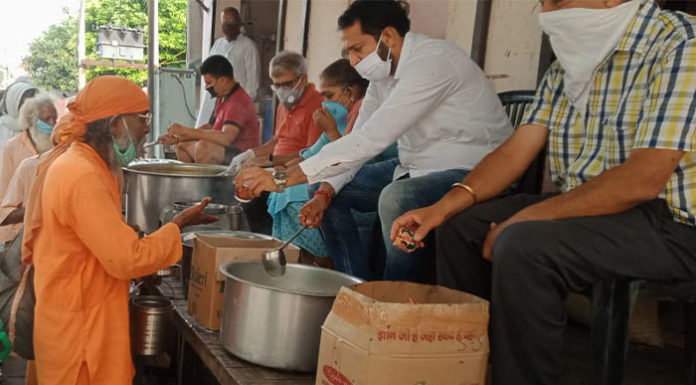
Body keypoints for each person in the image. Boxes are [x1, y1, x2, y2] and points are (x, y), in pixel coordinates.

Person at [390, 0, 696, 384]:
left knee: (522, 244)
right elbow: (517, 151)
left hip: (674, 222)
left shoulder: (680, 43)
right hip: (594, 207)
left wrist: (522, 219)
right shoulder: (565, 68)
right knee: (459, 226)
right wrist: (444, 205)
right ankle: (469, 366)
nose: (548, 11)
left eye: (559, 0)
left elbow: (643, 178)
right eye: (545, 2)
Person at [236, 0, 512, 282]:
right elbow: (357, 140)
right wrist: (324, 193)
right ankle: (356, 285)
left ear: (388, 37)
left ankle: (393, 299)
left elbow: (370, 141)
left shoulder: (431, 63)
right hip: (413, 167)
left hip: (474, 171)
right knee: (324, 190)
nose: (354, 62)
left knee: (397, 198)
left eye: (358, 49)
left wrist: (281, 178)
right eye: (349, 52)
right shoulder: (384, 77)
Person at [22, 76, 216, 385]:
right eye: (143, 118)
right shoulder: (81, 174)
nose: (148, 127)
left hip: (76, 319)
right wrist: (176, 225)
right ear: (115, 125)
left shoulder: (87, 164)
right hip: (80, 336)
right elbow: (126, 259)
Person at [266, 58, 369, 263]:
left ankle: (322, 258)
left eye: (329, 96)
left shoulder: (364, 114)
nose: (325, 103)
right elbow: (310, 155)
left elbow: (352, 160)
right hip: (334, 181)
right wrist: (270, 171)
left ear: (350, 93)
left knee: (295, 193)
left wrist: (331, 130)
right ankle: (296, 257)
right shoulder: (340, 117)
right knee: (282, 191)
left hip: (361, 189)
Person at [228, 50, 323, 234]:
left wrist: (270, 163)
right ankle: (259, 241)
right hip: (280, 167)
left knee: (257, 188)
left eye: (287, 84)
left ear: (302, 80)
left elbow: (311, 156)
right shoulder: (284, 105)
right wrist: (251, 154)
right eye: (276, 85)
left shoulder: (318, 107)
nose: (281, 90)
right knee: (243, 184)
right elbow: (277, 141)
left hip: (299, 172)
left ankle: (271, 242)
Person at [159, 55, 259, 164]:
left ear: (222, 81)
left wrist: (186, 131)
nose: (206, 87)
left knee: (204, 148)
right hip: (223, 150)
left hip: (241, 155)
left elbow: (226, 138)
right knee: (181, 146)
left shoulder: (238, 101)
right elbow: (210, 127)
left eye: (209, 83)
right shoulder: (222, 97)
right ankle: (192, 180)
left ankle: (207, 180)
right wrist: (178, 138)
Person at [195, 6, 260, 127]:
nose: (228, 27)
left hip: (235, 104)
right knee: (205, 131)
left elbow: (253, 81)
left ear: (239, 23)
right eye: (225, 23)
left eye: (232, 23)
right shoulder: (218, 44)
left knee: (226, 137)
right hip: (213, 100)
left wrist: (243, 106)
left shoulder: (248, 46)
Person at [0, 93, 57, 203]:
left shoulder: (59, 143)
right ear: (32, 120)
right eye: (47, 119)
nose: (52, 123)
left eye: (54, 118)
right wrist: (34, 210)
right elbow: (3, 197)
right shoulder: (12, 147)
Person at [0, 82, 38, 160]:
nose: (29, 104)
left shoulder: (38, 127)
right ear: (13, 102)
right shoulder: (2, 127)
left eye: (32, 99)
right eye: (24, 101)